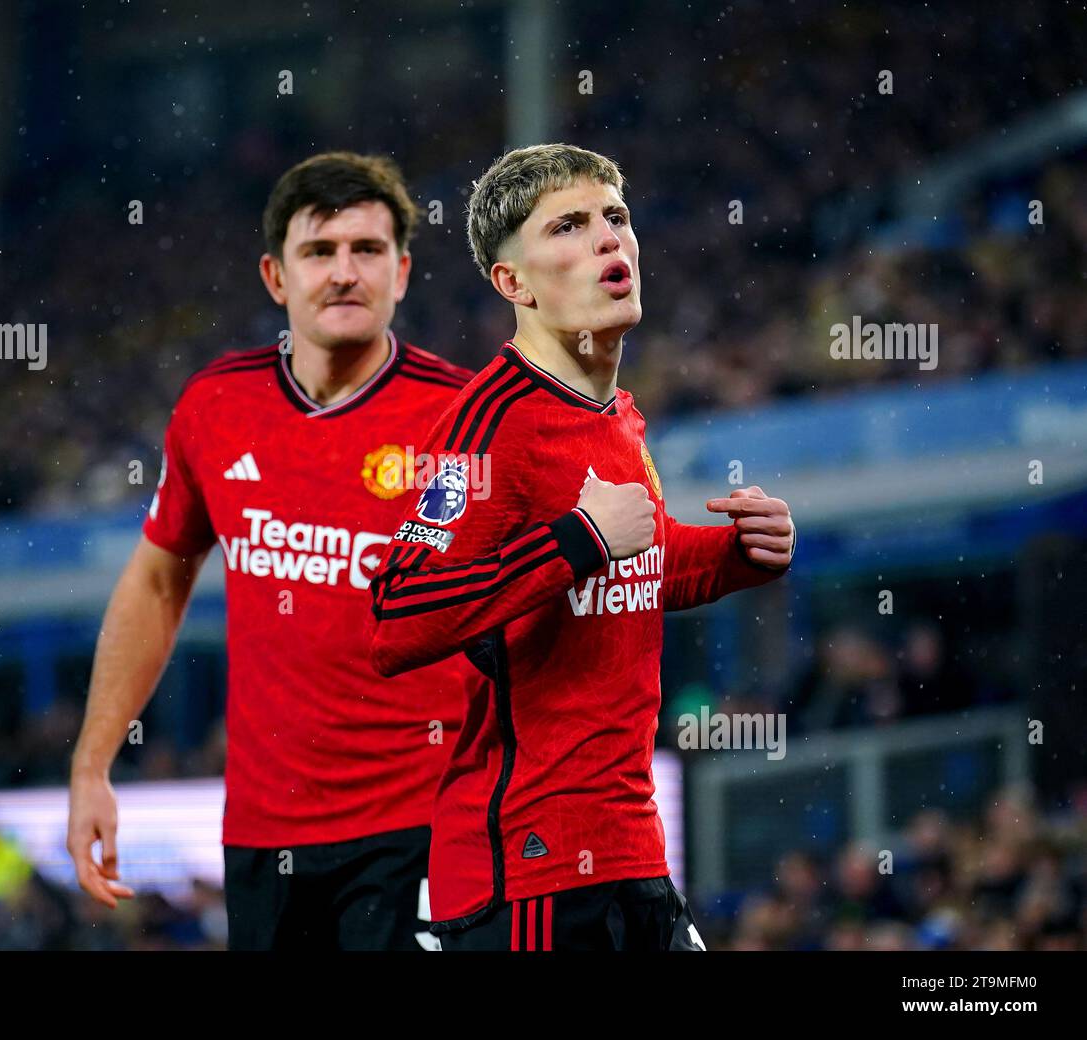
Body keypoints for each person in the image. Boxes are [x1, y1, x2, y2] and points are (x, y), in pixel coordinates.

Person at [368, 143, 796, 951]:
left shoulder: (618, 418)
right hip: (527, 876)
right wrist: (578, 539)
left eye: (616, 217)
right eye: (569, 225)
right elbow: (397, 616)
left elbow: (637, 565)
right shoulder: (485, 424)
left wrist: (740, 555)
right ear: (513, 283)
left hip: (631, 855)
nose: (609, 240)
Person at [68, 152, 472, 950]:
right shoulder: (216, 407)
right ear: (275, 276)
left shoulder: (464, 419)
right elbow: (156, 583)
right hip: (265, 837)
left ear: (404, 272)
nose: (344, 273)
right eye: (319, 252)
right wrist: (92, 766)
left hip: (426, 826)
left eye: (367, 250)